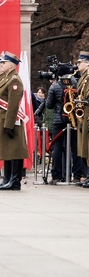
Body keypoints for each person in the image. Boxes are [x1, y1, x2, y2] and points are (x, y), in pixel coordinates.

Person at [0, 52, 28, 191]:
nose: (1, 64)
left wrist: (9, 124)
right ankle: (8, 178)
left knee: (15, 151)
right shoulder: (7, 78)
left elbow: (12, 105)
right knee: (8, 150)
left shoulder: (14, 80)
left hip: (11, 120)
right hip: (3, 117)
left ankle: (15, 180)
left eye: (4, 63)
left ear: (11, 65)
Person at [45, 67, 80, 184]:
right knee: (75, 148)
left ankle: (56, 176)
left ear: (59, 75)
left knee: (57, 148)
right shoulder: (77, 83)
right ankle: (77, 175)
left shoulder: (54, 86)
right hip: (74, 119)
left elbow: (49, 105)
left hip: (58, 120)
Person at [75, 51, 89, 187]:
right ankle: (87, 175)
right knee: (84, 147)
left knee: (88, 147)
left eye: (80, 62)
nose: (78, 64)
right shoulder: (83, 78)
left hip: (87, 115)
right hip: (83, 115)